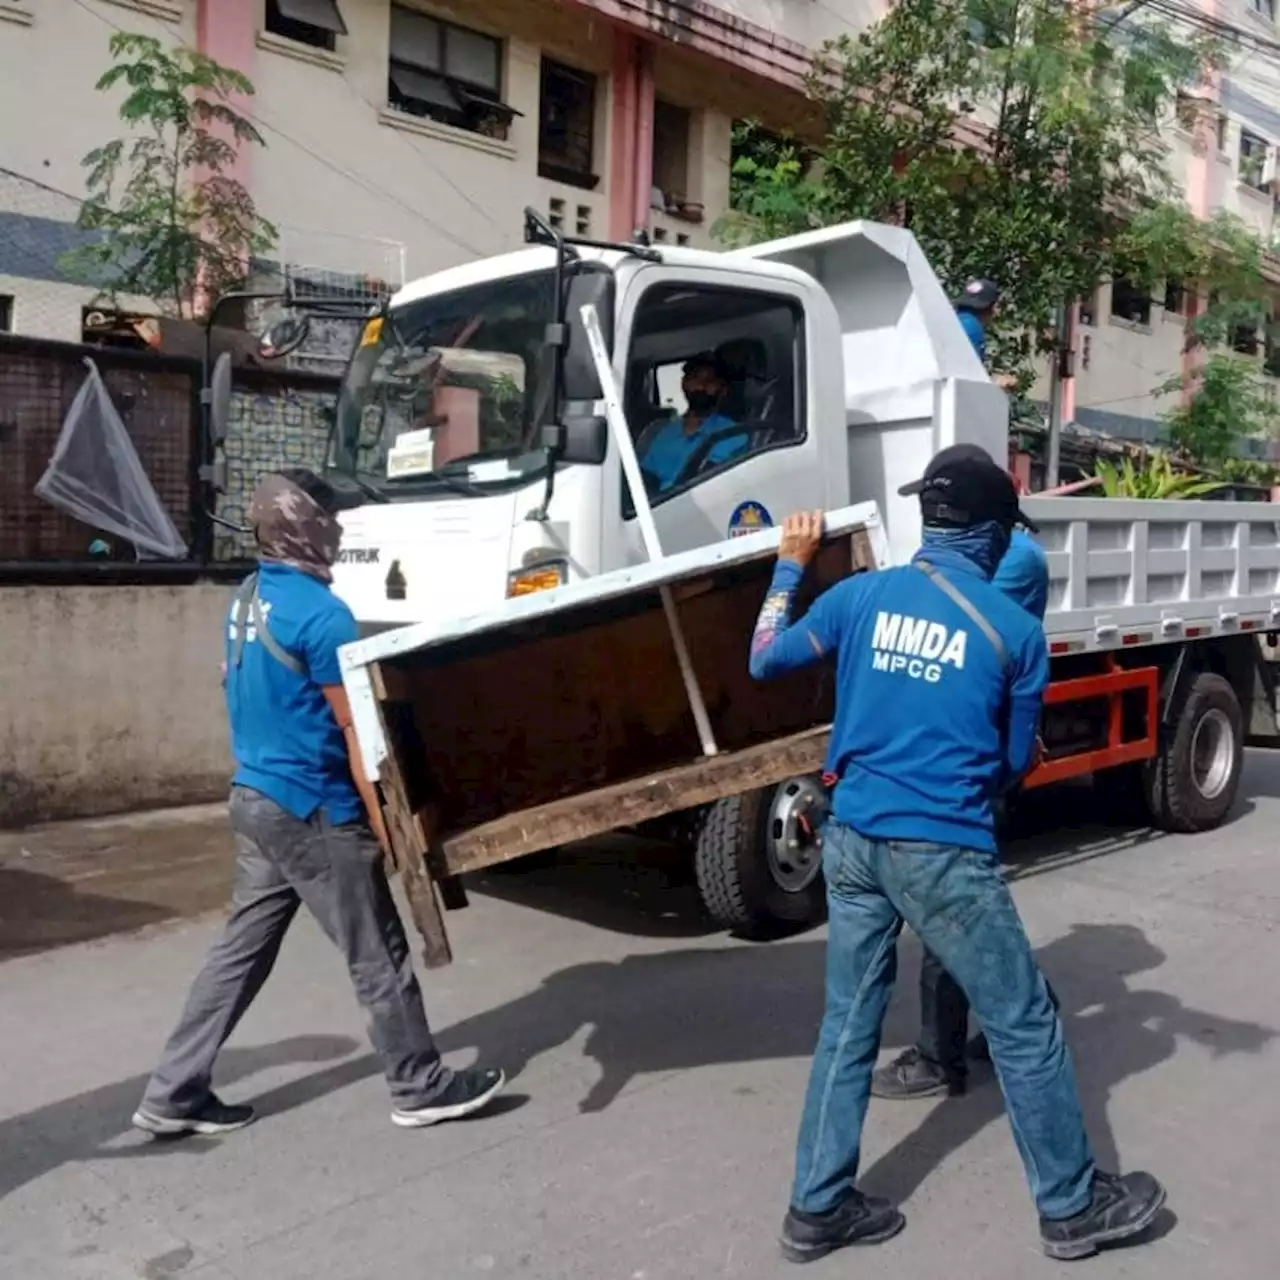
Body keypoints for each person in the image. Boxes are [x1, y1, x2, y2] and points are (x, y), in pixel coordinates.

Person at [749, 446, 1165, 1264]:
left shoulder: (857, 597)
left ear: (932, 520)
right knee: (1023, 1024)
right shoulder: (1014, 633)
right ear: (995, 537)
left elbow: (765, 658)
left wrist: (787, 569)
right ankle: (1073, 1207)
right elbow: (1012, 764)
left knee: (847, 1026)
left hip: (852, 840)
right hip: (942, 851)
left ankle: (817, 1207)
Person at [132, 468, 505, 1137]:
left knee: (239, 954)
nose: (338, 529)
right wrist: (387, 826)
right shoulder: (324, 616)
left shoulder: (248, 596)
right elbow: (356, 733)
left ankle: (172, 1092)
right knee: (376, 952)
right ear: (305, 525)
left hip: (254, 798)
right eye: (330, 517)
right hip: (312, 806)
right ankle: (418, 1086)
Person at [872, 486, 1055, 1100]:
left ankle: (939, 1056)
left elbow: (959, 644)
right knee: (970, 909)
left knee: (951, 913)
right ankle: (1028, 1012)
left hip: (977, 759)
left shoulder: (1017, 560)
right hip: (967, 752)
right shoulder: (994, 559)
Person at [636, 351, 745, 493]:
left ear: (723, 389)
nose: (700, 387)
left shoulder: (734, 435)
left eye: (710, 382)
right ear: (684, 383)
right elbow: (645, 482)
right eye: (695, 379)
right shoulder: (663, 434)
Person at [956, 277, 1017, 392]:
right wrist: (996, 384)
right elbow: (967, 379)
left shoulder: (954, 321)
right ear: (992, 307)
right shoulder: (972, 328)